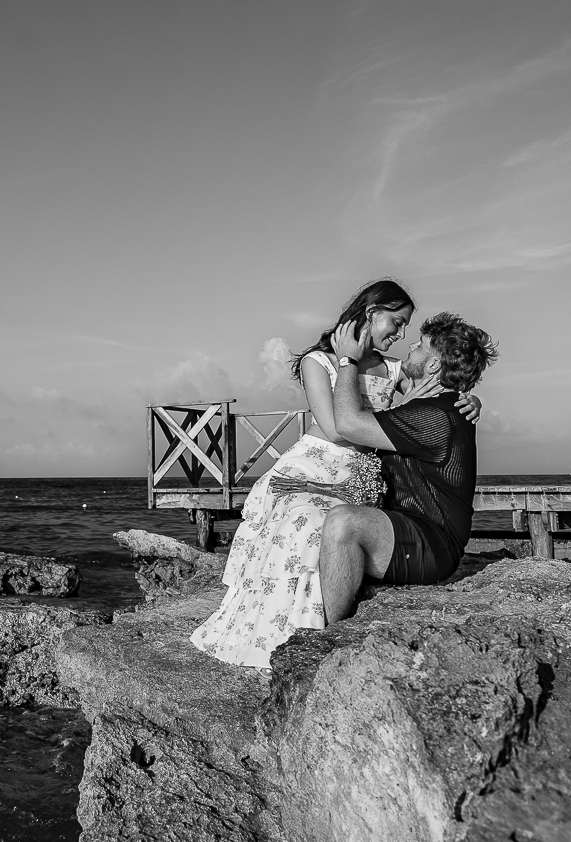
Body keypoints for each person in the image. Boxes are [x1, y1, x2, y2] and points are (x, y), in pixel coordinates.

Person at [189, 281, 480, 668]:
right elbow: (335, 427)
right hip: (313, 465)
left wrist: (469, 398)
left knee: (327, 526)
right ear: (371, 313)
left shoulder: (394, 368)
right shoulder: (319, 361)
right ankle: (273, 630)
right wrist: (352, 366)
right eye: (397, 322)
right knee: (303, 523)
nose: (402, 335)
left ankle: (316, 630)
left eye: (409, 330)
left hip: (359, 475)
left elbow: (437, 395)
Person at [317, 312, 499, 624]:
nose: (410, 346)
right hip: (410, 529)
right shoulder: (434, 406)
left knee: (342, 523)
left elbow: (347, 424)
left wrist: (347, 360)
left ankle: (333, 635)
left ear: (433, 365)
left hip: (431, 545)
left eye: (420, 345)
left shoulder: (435, 416)